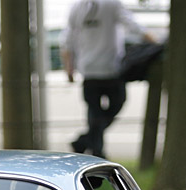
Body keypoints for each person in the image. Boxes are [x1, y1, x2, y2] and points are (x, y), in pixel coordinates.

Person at [61, 0, 149, 158]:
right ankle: (95, 149)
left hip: (89, 69)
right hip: (111, 69)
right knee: (116, 104)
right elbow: (132, 25)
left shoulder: (77, 7)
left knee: (95, 112)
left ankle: (89, 144)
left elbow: (67, 39)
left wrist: (69, 68)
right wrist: (153, 39)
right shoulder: (112, 4)